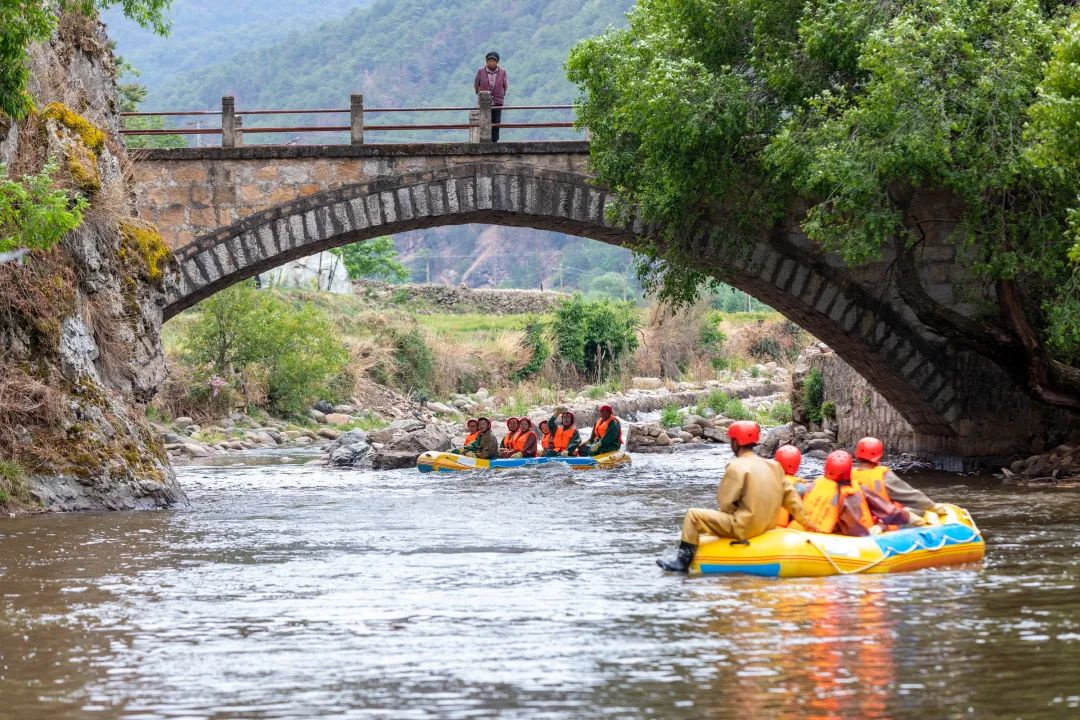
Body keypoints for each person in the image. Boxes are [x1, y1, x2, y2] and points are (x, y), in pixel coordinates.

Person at [657, 421, 816, 572]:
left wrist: (723, 521)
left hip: (744, 528)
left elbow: (725, 502)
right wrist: (806, 522)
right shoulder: (773, 466)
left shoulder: (736, 466)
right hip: (768, 525)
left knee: (693, 515)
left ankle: (682, 563)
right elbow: (791, 498)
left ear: (735, 442)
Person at [791, 450, 918, 536]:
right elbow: (854, 526)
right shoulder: (849, 493)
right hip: (830, 541)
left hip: (800, 535)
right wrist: (909, 518)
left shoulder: (812, 485)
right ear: (848, 471)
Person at [853, 437, 951, 517]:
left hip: (859, 521)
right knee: (918, 510)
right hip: (883, 521)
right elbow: (910, 495)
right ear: (879, 455)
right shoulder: (883, 475)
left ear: (857, 455)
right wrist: (933, 507)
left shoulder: (850, 474)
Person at [473, 51, 508, 142]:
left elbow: (505, 86)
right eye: (490, 61)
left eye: (494, 61)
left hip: (497, 101)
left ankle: (495, 140)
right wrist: (479, 95)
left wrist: (500, 95)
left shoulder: (502, 72)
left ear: (497, 62)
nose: (492, 63)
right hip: (485, 101)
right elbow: (476, 85)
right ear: (486, 62)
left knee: (496, 120)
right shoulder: (480, 72)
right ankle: (484, 140)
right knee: (485, 120)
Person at [773, 444, 808, 528]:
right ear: (797, 465)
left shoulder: (766, 480)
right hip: (788, 531)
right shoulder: (802, 487)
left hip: (765, 527)